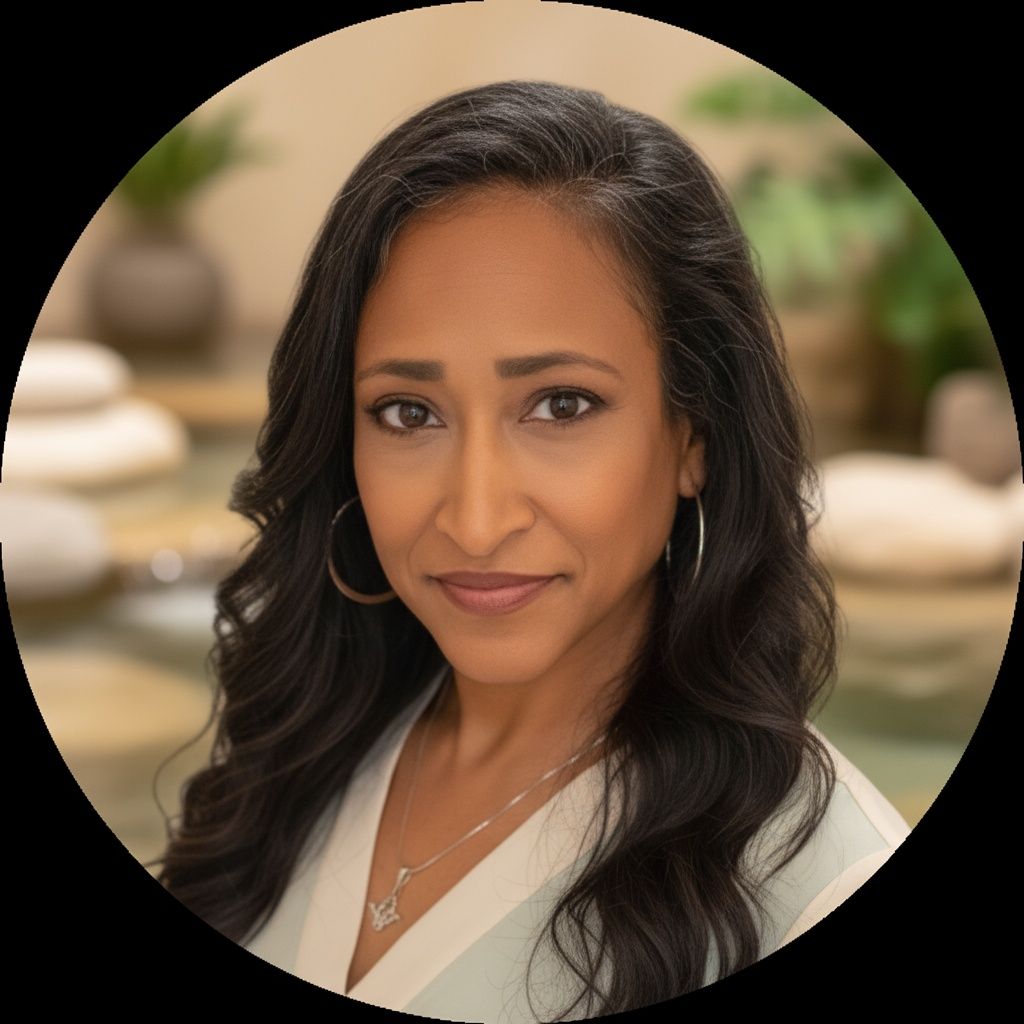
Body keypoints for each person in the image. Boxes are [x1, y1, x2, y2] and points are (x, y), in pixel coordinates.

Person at [153, 79, 911, 1021]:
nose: (474, 519)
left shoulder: (818, 882)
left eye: (561, 405)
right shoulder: (300, 748)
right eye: (407, 411)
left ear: (694, 435)